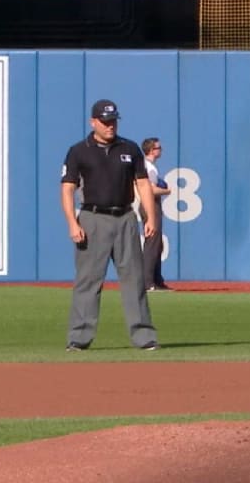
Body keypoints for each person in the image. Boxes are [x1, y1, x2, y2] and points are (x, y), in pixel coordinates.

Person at [60, 99, 160, 352]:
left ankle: (144, 337)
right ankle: (79, 338)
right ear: (93, 122)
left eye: (113, 120)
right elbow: (67, 188)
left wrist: (150, 216)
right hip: (93, 218)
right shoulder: (79, 151)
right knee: (88, 280)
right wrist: (72, 222)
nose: (110, 126)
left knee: (134, 279)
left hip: (125, 217)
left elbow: (143, 184)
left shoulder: (129, 148)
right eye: (105, 121)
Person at [139, 137, 172, 292]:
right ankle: (148, 282)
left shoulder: (150, 166)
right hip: (149, 205)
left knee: (157, 244)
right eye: (158, 148)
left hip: (152, 204)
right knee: (152, 243)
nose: (161, 150)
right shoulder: (149, 167)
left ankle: (157, 280)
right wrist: (167, 190)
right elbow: (150, 190)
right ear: (151, 150)